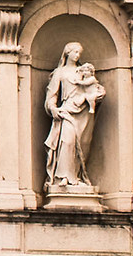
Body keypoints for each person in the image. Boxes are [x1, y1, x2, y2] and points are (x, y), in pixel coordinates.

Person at [41, 43, 106, 194]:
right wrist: (53, 108)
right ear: (67, 53)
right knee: (67, 142)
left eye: (79, 52)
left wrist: (98, 94)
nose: (78, 55)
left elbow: (94, 87)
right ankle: (63, 177)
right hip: (67, 111)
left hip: (84, 113)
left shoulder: (84, 71)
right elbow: (52, 96)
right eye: (75, 52)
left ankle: (77, 178)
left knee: (83, 145)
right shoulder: (60, 72)